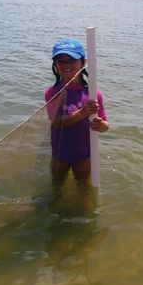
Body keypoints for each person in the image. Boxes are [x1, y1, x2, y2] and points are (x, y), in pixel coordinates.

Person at [45, 38, 109, 192]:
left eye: (71, 60)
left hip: (84, 154)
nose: (66, 65)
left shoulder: (93, 94)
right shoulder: (52, 92)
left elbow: (105, 125)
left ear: (84, 62)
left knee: (84, 188)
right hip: (60, 153)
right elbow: (56, 123)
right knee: (56, 186)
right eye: (61, 61)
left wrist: (102, 125)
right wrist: (82, 113)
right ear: (55, 64)